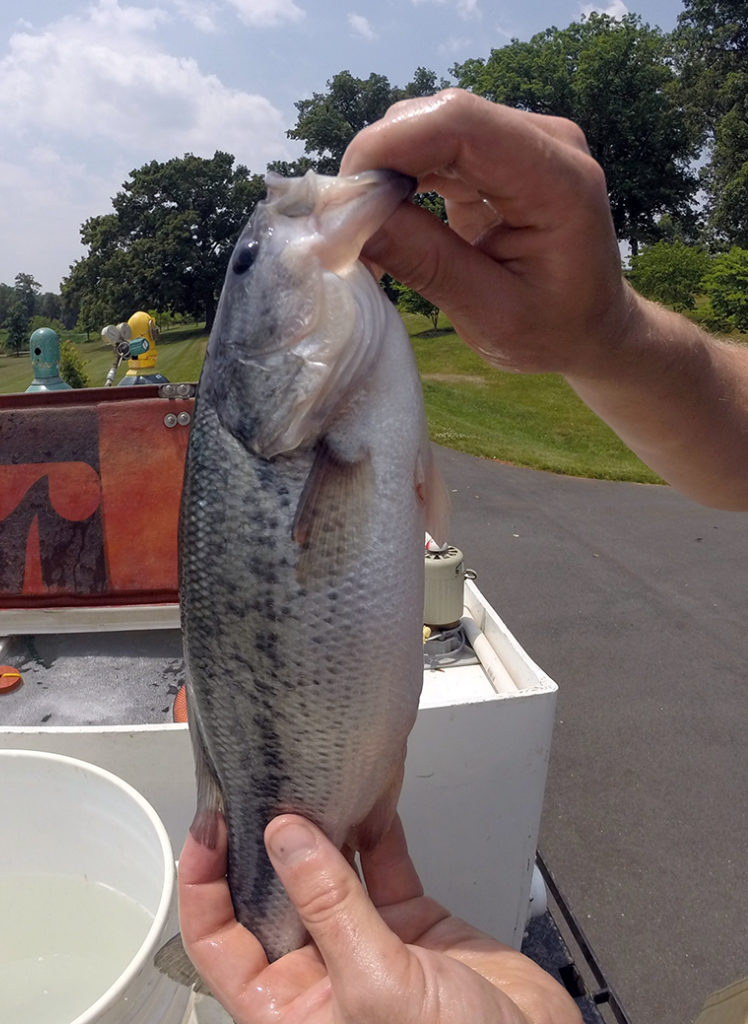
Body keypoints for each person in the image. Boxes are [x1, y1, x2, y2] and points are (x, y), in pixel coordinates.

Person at [177, 89, 748, 1023]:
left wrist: (599, 329)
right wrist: (605, 333)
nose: (277, 233)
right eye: (255, 262)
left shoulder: (312, 429)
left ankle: (274, 925)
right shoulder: (308, 435)